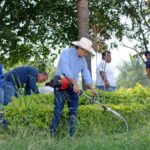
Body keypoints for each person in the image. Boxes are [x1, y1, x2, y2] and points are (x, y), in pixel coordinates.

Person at [49, 37, 97, 137]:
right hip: (61, 83)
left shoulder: (83, 60)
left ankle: (71, 136)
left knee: (73, 113)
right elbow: (67, 71)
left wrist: (93, 87)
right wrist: (75, 84)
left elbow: (86, 74)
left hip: (73, 86)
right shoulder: (66, 53)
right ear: (81, 49)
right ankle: (51, 136)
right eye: (86, 52)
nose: (86, 54)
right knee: (58, 111)